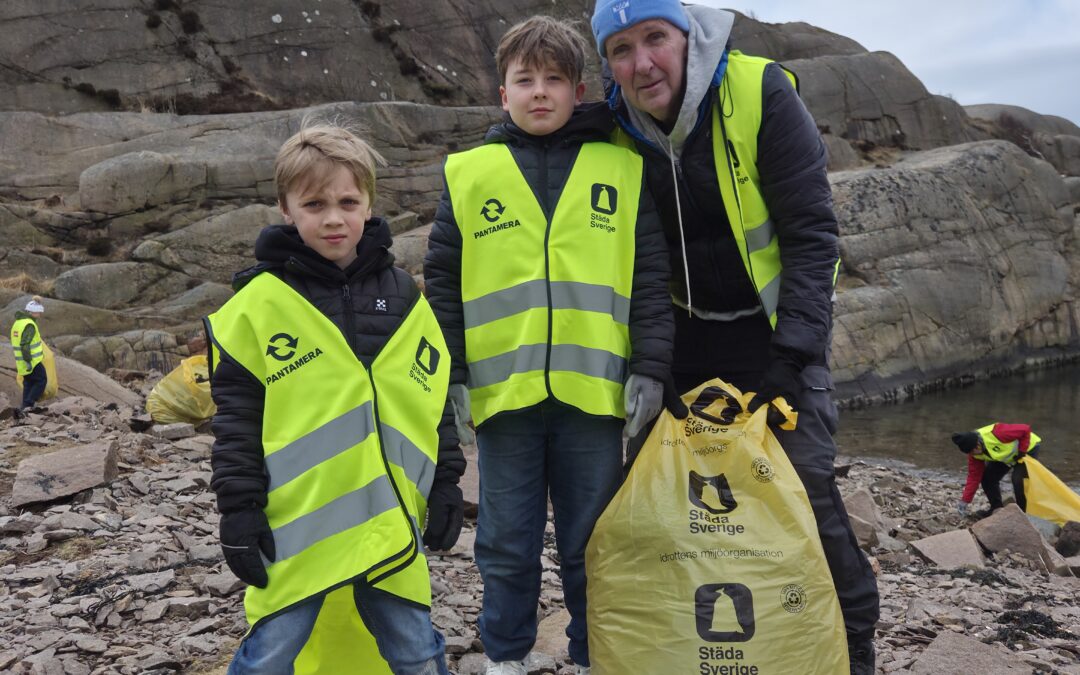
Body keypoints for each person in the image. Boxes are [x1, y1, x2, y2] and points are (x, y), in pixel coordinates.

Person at [590, 2, 879, 672]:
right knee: (659, 499)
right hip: (678, 338)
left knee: (803, 484)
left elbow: (812, 236)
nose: (642, 63)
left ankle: (854, 642)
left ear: (686, 37)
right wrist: (650, 358)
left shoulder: (758, 92)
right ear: (607, 63)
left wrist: (796, 355)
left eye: (655, 38)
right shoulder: (609, 128)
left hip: (773, 336)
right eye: (621, 49)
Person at [424, 15, 673, 675]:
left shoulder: (622, 167)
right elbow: (442, 286)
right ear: (501, 94)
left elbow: (650, 279)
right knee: (506, 542)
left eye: (554, 80)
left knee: (594, 541)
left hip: (594, 399)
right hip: (503, 399)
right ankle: (506, 657)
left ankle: (597, 655)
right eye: (524, 80)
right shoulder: (467, 174)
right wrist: (447, 375)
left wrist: (650, 367)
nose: (539, 93)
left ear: (579, 89)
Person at [204, 123, 464, 675]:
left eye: (348, 201)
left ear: (369, 204)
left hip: (389, 521)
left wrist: (445, 485)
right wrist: (239, 511)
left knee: (416, 652)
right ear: (285, 209)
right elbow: (237, 424)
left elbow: (431, 395)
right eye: (314, 203)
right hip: (298, 530)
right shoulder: (258, 304)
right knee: (270, 653)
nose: (333, 218)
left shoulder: (403, 295)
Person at [953, 424, 1042, 517]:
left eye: (976, 448)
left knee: (1019, 481)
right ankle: (996, 509)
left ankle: (1023, 514)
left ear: (978, 442)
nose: (975, 452)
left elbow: (1025, 429)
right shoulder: (974, 455)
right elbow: (974, 477)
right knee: (987, 478)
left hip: (1027, 448)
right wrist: (965, 500)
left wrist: (1022, 450)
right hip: (1006, 456)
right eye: (971, 452)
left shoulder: (998, 432)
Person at [10, 296, 48, 413]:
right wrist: (28, 361)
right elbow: (25, 344)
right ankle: (28, 404)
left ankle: (23, 408)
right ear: (33, 312)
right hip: (31, 361)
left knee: (28, 382)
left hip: (21, 361)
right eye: (39, 313)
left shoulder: (18, 323)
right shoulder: (29, 325)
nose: (40, 315)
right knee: (41, 380)